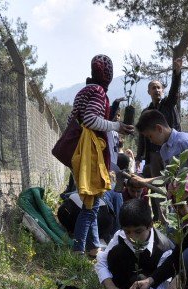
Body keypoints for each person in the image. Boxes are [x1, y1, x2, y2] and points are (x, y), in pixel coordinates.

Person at [70, 54, 134, 257]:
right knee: (90, 206)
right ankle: (78, 250)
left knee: (93, 204)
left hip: (82, 150)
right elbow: (90, 119)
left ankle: (93, 247)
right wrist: (117, 126)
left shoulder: (85, 90)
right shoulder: (98, 91)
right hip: (91, 154)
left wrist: (112, 107)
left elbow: (82, 117)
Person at [96, 197, 175, 289]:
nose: (132, 237)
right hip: (125, 279)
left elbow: (161, 285)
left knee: (143, 280)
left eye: (138, 231)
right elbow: (102, 261)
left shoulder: (164, 248)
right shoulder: (120, 235)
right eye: (128, 232)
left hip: (148, 286)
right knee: (116, 252)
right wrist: (110, 285)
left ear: (150, 225)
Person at [134, 109, 188, 193]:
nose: (150, 141)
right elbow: (169, 177)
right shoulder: (164, 150)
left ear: (159, 128)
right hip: (183, 191)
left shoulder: (185, 141)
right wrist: (145, 181)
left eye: (150, 136)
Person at [137, 58, 183, 180]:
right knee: (157, 186)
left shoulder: (168, 104)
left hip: (171, 150)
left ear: (162, 90)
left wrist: (177, 74)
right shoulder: (146, 113)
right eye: (154, 88)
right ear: (148, 92)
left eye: (159, 87)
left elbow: (174, 92)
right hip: (154, 155)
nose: (157, 90)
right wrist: (138, 157)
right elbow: (142, 137)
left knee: (174, 182)